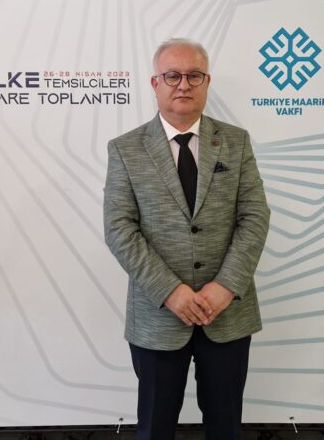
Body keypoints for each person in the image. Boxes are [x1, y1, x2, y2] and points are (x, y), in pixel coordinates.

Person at [103, 38, 271, 440]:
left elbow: (254, 217)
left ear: (207, 81)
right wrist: (170, 291)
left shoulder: (235, 142)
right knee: (154, 429)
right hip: (158, 315)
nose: (183, 84)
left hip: (226, 314)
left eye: (194, 75)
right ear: (155, 83)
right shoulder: (126, 149)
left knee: (225, 428)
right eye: (172, 75)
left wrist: (226, 286)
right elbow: (119, 228)